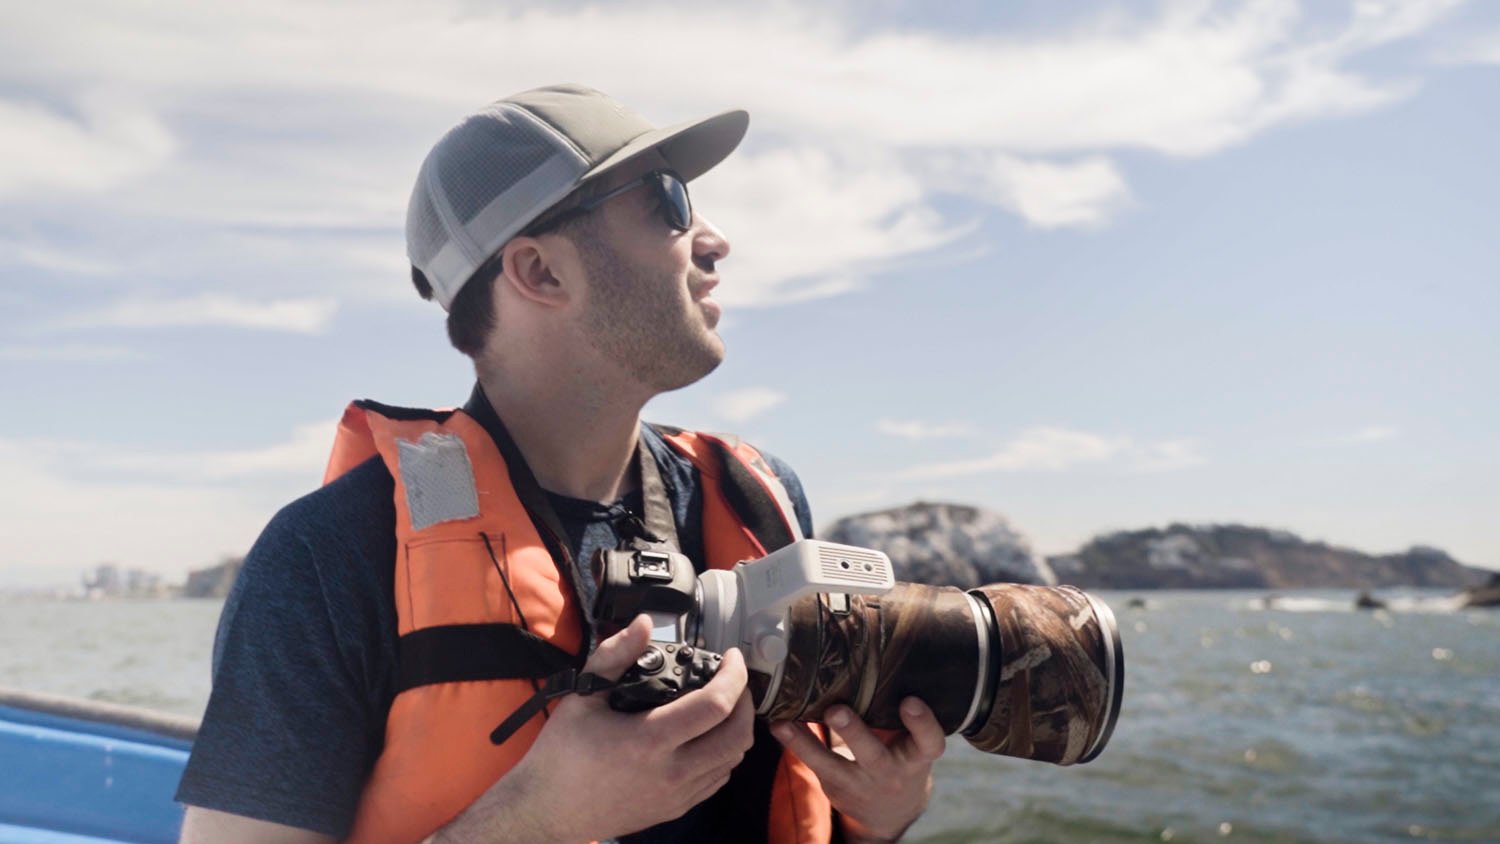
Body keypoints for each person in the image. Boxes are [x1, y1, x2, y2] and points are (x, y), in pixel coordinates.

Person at [175, 84, 946, 844]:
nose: (714, 239)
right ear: (540, 273)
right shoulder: (331, 554)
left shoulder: (758, 502)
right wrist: (536, 822)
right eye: (667, 201)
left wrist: (880, 818)